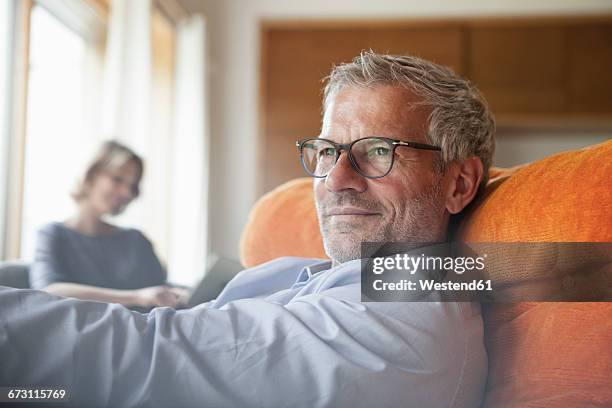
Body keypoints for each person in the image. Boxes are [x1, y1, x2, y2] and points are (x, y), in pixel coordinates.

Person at [0, 51, 495, 407]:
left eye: (379, 151)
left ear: (459, 183)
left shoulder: (405, 317)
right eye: (327, 151)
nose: (336, 180)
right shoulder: (346, 276)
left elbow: (147, 359)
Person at [29, 141, 187, 308]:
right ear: (91, 174)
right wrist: (136, 297)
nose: (126, 193)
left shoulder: (136, 240)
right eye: (117, 179)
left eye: (132, 186)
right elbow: (49, 292)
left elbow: (161, 289)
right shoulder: (53, 234)